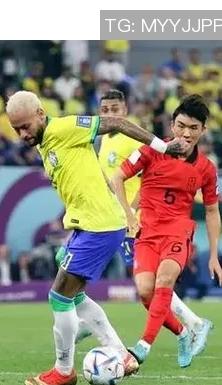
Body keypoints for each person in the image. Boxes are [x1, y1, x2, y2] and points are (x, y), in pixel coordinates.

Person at [5, 90, 185, 385]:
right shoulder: (43, 142)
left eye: (25, 126)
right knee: (67, 279)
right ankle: (119, 353)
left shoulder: (64, 128)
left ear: (40, 114)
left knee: (59, 296)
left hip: (100, 226)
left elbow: (116, 123)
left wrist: (163, 148)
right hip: (86, 224)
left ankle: (64, 370)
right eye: (16, 130)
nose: (23, 134)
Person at [76, 90, 212, 351]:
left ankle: (192, 324)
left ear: (125, 110)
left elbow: (147, 180)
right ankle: (86, 319)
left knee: (151, 285)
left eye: (115, 109)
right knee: (81, 266)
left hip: (136, 223)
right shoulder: (104, 141)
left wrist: (131, 213)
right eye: (105, 110)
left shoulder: (131, 138)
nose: (110, 114)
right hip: (109, 219)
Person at [110, 94, 222, 368]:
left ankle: (142, 347)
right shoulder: (150, 150)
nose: (186, 133)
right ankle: (183, 333)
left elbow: (212, 211)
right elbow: (118, 177)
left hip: (178, 232)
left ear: (203, 130)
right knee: (145, 292)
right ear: (172, 124)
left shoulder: (207, 169)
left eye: (194, 128)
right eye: (181, 126)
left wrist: (214, 255)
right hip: (147, 232)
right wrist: (129, 216)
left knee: (165, 280)